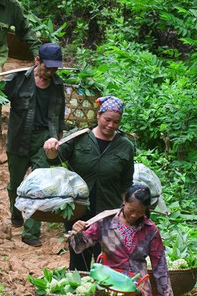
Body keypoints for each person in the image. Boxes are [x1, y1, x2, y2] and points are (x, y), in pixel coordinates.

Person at [44, 96, 135, 270]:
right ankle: (80, 295)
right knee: (79, 260)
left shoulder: (125, 146)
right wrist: (50, 149)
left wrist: (126, 215)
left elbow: (126, 183)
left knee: (107, 262)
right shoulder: (80, 138)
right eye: (107, 120)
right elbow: (55, 159)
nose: (110, 125)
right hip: (78, 211)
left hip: (109, 213)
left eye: (116, 122)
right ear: (98, 115)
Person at [70, 183, 175, 296]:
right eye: (131, 210)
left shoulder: (150, 231)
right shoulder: (105, 222)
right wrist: (77, 232)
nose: (134, 215)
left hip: (138, 289)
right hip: (109, 286)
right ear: (124, 201)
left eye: (140, 212)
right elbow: (79, 246)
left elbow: (160, 267)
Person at [4, 43, 66, 247]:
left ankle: (31, 233)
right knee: (15, 183)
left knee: (38, 187)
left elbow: (59, 118)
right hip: (19, 137)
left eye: (54, 68)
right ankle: (15, 211)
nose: (50, 72)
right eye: (47, 67)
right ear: (37, 61)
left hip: (44, 140)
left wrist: (56, 138)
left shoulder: (57, 86)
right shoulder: (19, 80)